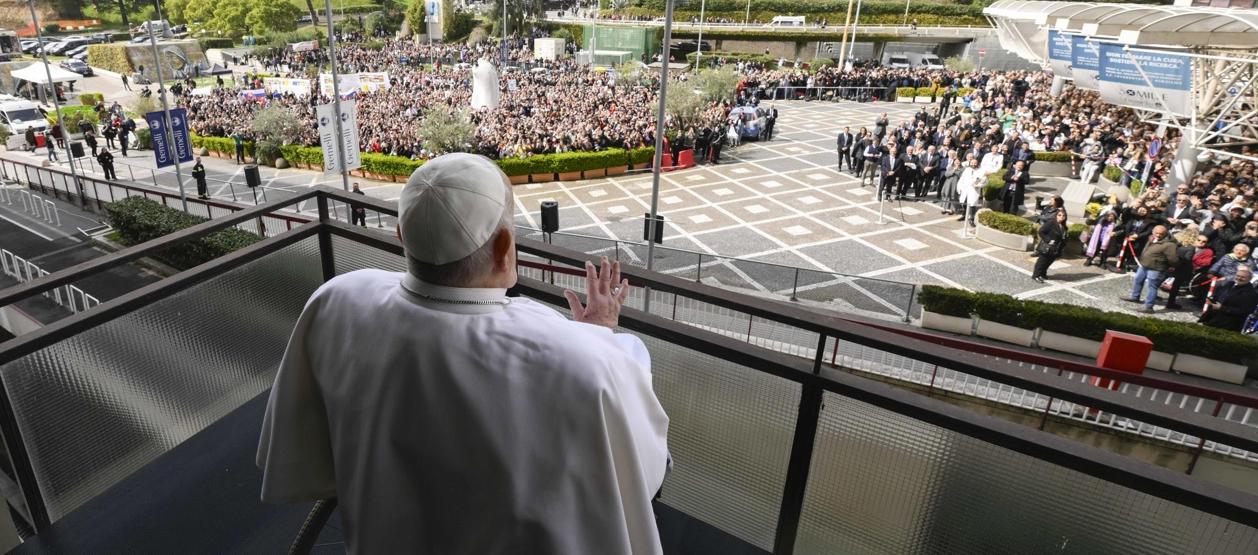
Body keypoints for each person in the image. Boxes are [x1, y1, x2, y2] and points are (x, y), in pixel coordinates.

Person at [257, 154, 670, 553]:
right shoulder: (585, 362)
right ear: (505, 245)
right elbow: (644, 473)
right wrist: (598, 334)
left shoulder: (339, 298)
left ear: (403, 235)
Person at [1121, 225, 1176, 313]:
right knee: (1138, 280)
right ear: (1153, 232)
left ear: (1165, 234)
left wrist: (1163, 265)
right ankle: (1135, 297)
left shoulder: (1170, 244)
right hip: (1144, 265)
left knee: (1152, 287)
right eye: (1156, 233)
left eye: (1161, 234)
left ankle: (1149, 307)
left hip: (1156, 268)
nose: (1158, 235)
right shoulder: (1152, 238)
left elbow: (1173, 259)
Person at [1199, 266, 1258, 331]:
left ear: (1249, 279)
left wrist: (1222, 308)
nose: (1239, 278)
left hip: (1228, 325)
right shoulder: (1230, 284)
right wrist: (1211, 299)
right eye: (1238, 276)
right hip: (1212, 318)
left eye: (1243, 277)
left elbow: (1246, 311)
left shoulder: (1251, 293)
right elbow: (1219, 294)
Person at [1031, 209, 1068, 283]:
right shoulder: (1051, 223)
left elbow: (1063, 236)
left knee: (1049, 262)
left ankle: (1043, 274)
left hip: (1056, 248)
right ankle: (1036, 275)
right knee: (1042, 261)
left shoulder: (1064, 226)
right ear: (1056, 216)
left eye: (1063, 216)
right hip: (1047, 246)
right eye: (1059, 215)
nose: (1061, 217)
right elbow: (1041, 231)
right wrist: (1048, 240)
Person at [957, 157, 985, 226]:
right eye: (972, 163)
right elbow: (962, 179)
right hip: (965, 190)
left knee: (972, 205)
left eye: (975, 163)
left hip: (974, 191)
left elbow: (985, 182)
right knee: (964, 203)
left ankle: (971, 219)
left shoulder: (981, 171)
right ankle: (964, 215)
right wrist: (959, 187)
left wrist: (978, 185)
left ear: (978, 164)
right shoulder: (967, 170)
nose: (973, 164)